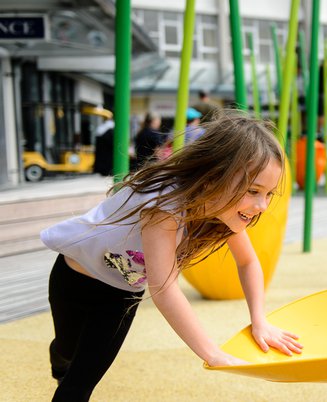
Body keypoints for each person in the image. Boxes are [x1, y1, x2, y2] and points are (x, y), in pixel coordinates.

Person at [41, 112, 303, 401]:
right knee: (66, 352)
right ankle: (60, 353)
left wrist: (259, 320)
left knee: (78, 384)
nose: (262, 205)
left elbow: (248, 261)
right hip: (74, 277)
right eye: (254, 191)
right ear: (214, 176)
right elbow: (164, 289)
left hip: (119, 294)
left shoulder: (219, 211)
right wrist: (213, 354)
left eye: (268, 195)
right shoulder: (163, 207)